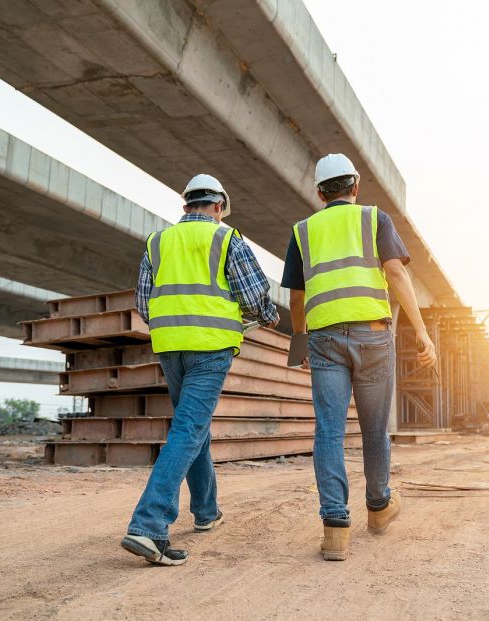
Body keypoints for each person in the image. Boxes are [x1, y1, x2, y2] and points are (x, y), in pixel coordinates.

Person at [281, 153, 437, 561]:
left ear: (319, 192)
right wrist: (420, 331)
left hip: (325, 340)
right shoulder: (375, 219)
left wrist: (299, 341)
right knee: (373, 431)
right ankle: (379, 507)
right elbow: (397, 273)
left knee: (329, 432)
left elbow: (296, 297)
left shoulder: (302, 231)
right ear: (355, 186)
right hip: (372, 337)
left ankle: (335, 527)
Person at [121, 174, 279, 566]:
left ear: (186, 204)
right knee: (190, 429)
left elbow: (144, 300)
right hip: (210, 349)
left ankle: (206, 512)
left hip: (171, 347)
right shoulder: (227, 240)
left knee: (194, 426)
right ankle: (149, 525)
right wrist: (267, 315)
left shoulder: (158, 242)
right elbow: (254, 293)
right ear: (219, 207)